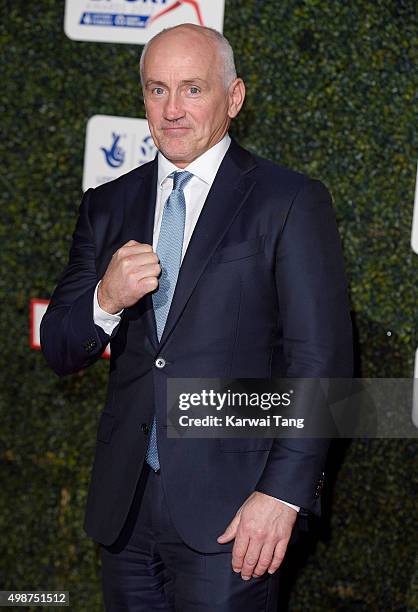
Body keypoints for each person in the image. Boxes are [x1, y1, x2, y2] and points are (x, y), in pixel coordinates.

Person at [41, 23, 353, 611]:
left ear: (233, 98)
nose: (173, 109)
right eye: (158, 90)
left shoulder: (287, 201)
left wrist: (281, 497)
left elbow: (321, 363)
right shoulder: (107, 204)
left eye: (192, 89)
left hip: (235, 514)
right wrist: (104, 300)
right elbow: (59, 347)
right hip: (124, 510)